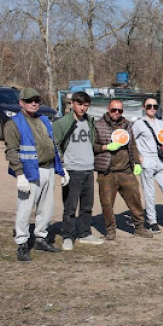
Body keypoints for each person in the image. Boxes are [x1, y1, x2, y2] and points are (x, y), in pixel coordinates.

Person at [6, 87, 67, 260]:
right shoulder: (14, 123)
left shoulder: (44, 120)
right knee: (25, 209)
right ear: (21, 103)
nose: (33, 104)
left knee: (46, 208)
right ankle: (22, 243)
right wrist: (20, 175)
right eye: (29, 101)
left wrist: (61, 168)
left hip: (48, 169)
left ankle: (41, 237)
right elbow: (11, 151)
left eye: (36, 101)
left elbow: (53, 144)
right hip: (30, 172)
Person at [93, 99, 153, 240]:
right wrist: (106, 147)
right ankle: (110, 230)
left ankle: (139, 227)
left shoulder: (127, 124)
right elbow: (93, 146)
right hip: (107, 172)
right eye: (114, 110)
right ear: (108, 109)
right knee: (107, 203)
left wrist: (137, 163)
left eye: (120, 110)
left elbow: (132, 145)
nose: (117, 113)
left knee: (135, 201)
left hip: (126, 170)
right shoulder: (98, 125)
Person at [52, 91, 103, 249]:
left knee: (87, 206)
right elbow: (55, 145)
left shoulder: (89, 121)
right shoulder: (62, 123)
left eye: (86, 105)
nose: (83, 108)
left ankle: (84, 233)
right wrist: (62, 167)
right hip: (72, 170)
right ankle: (67, 235)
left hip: (88, 169)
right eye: (80, 104)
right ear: (73, 104)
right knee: (70, 206)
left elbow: (92, 143)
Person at [134, 97, 163, 234]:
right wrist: (139, 158)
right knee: (149, 194)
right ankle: (153, 221)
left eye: (155, 106)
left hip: (161, 161)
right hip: (147, 161)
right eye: (149, 106)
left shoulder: (162, 123)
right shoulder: (139, 124)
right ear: (144, 107)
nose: (152, 108)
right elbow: (131, 141)